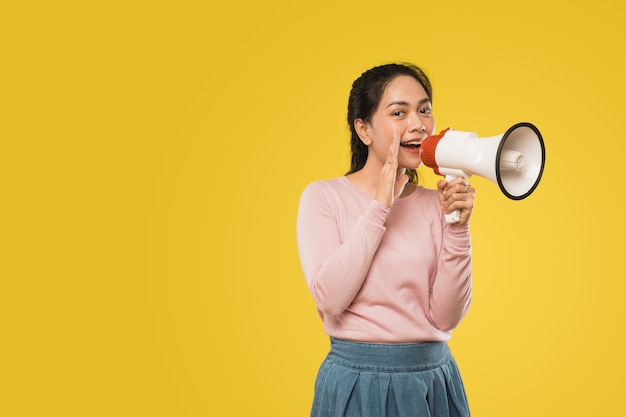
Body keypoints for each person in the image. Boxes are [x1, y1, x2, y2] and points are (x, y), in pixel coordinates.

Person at [296, 63, 475, 417]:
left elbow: (445, 318)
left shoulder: (435, 204)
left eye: (425, 110)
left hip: (434, 383)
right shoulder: (323, 197)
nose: (418, 124)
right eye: (399, 112)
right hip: (355, 383)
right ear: (363, 129)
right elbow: (331, 299)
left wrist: (457, 227)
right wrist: (381, 205)